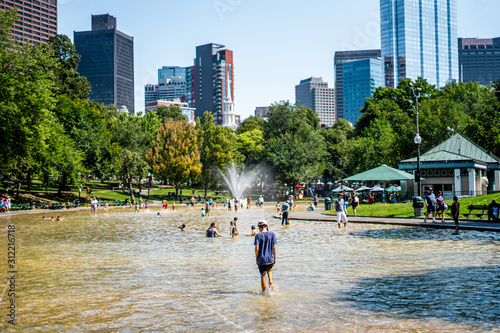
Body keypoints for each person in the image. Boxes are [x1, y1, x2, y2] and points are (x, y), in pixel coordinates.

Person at [254, 220, 277, 293]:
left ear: (259, 227)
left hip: (261, 259)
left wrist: (256, 257)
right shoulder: (272, 234)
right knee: (269, 270)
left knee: (263, 276)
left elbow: (256, 248)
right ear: (266, 226)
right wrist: (275, 258)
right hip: (270, 258)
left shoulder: (258, 235)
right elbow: (274, 247)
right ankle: (270, 281)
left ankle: (263, 293)